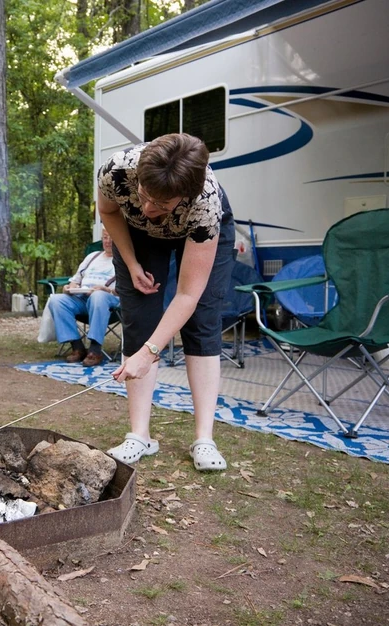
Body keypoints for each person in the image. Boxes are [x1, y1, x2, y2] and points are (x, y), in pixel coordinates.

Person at [97, 133, 235, 472]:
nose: (148, 208)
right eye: (144, 195)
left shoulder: (205, 204)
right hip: (140, 235)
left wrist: (150, 352)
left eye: (160, 204)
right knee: (137, 319)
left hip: (195, 233)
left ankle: (204, 438)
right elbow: (109, 211)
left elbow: (187, 293)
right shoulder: (117, 170)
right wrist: (131, 265)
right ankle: (139, 435)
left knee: (201, 321)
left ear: (184, 197)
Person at [48, 229, 119, 367]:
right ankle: (77, 347)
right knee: (56, 300)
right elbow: (76, 279)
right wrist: (70, 287)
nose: (108, 241)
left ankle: (95, 349)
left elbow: (127, 290)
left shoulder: (123, 260)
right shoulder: (92, 256)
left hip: (110, 303)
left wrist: (106, 289)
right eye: (105, 237)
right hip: (82, 298)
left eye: (112, 238)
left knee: (98, 296)